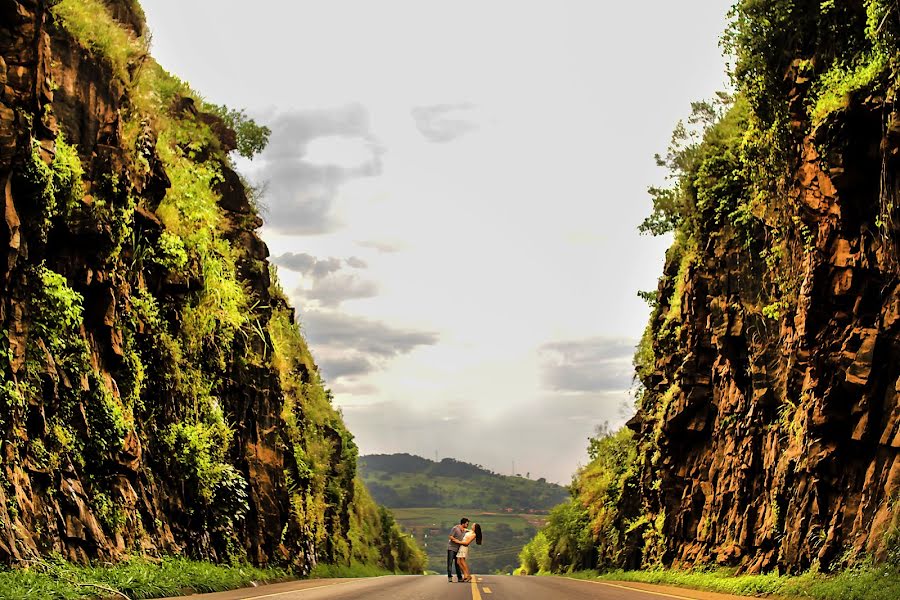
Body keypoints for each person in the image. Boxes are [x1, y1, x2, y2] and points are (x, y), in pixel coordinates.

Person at [447, 518, 469, 582]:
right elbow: (450, 536)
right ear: (463, 523)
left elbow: (470, 531)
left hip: (458, 549)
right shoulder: (455, 528)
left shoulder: (464, 530)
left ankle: (459, 577)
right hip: (451, 548)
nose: (467, 525)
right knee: (450, 563)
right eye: (467, 524)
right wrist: (456, 541)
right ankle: (449, 576)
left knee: (458, 563)